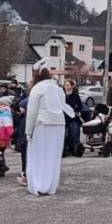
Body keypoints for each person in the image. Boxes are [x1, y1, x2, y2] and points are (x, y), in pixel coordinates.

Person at [24, 63, 74, 196]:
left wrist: (28, 131)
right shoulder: (57, 88)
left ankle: (38, 184)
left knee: (39, 155)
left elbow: (32, 112)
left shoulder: (37, 89)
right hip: (58, 125)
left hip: (42, 124)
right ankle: (50, 185)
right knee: (53, 156)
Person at [62, 79, 85, 157]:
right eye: (65, 85)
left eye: (68, 85)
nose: (66, 87)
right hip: (63, 117)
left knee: (74, 131)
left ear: (72, 86)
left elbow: (80, 106)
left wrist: (77, 112)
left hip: (73, 117)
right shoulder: (62, 95)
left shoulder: (75, 95)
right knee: (63, 133)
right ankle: (65, 149)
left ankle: (75, 149)